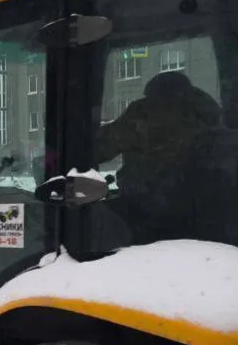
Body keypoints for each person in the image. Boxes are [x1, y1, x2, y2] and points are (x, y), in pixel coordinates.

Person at [94, 71, 221, 241]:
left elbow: (100, 147)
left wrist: (62, 154)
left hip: (147, 211)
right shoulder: (210, 114)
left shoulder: (144, 113)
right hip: (208, 216)